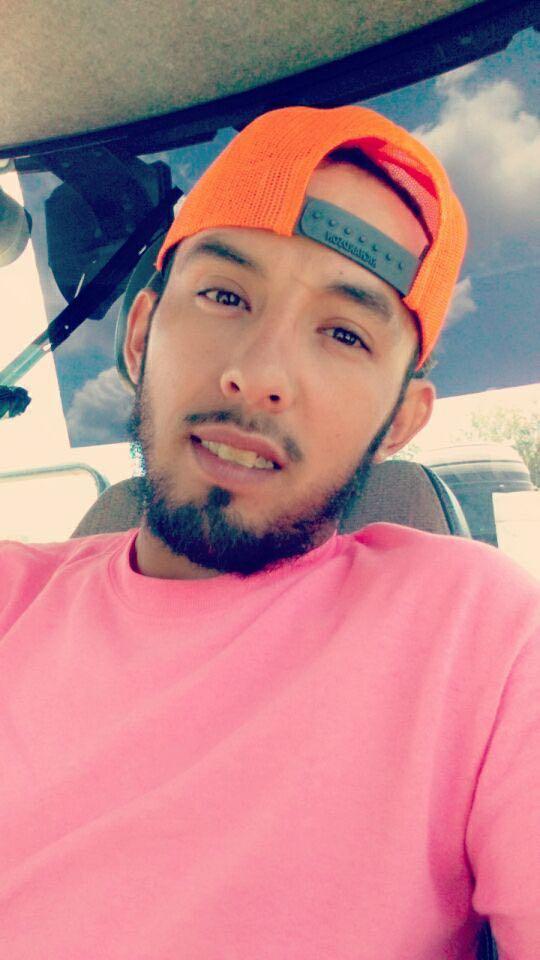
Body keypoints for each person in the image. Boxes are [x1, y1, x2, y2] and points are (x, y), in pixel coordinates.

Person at [0, 105, 538, 960]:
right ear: (140, 337)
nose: (257, 374)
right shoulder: (12, 597)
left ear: (403, 419)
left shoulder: (484, 639)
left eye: (344, 333)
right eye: (224, 295)